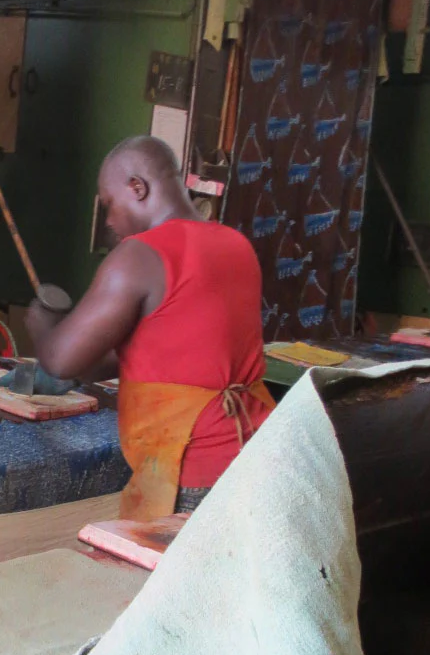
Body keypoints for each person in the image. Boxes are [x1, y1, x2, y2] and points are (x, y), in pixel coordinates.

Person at [26, 136, 276, 520]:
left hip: (194, 467)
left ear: (137, 187)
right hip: (260, 451)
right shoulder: (235, 243)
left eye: (109, 204)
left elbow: (60, 360)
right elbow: (155, 354)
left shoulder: (139, 255)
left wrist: (43, 323)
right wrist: (84, 359)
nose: (109, 221)